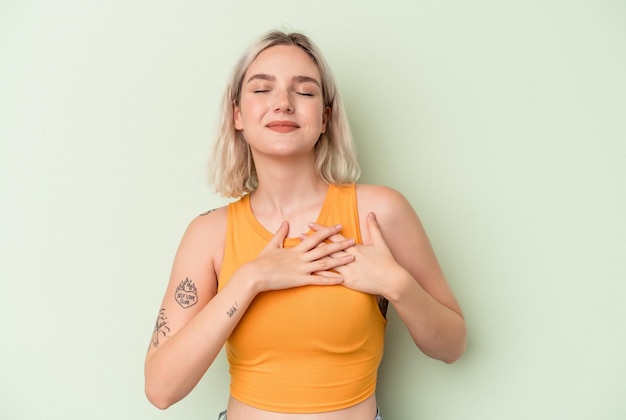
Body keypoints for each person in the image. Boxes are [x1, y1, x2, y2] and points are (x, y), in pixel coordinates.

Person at [144, 30, 466, 420]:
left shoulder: (379, 213)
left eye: (305, 92)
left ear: (326, 117)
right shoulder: (209, 234)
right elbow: (161, 389)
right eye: (262, 90)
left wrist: (396, 285)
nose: (283, 103)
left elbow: (451, 347)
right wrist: (251, 279)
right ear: (237, 115)